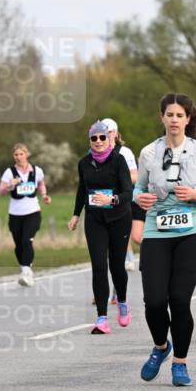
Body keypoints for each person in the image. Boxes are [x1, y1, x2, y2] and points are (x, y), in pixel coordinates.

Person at [134, 93, 196, 386]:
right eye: (169, 114)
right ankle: (161, 347)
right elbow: (138, 191)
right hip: (156, 233)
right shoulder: (148, 153)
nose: (174, 120)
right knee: (155, 302)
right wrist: (141, 198)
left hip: (192, 234)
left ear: (187, 119)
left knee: (180, 300)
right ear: (162, 118)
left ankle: (180, 364)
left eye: (179, 115)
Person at [69, 121, 134, 334]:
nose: (98, 141)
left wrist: (112, 199)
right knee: (98, 266)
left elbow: (128, 193)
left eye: (102, 137)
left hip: (119, 218)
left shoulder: (119, 160)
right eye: (94, 138)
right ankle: (102, 319)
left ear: (109, 138)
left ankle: (122, 302)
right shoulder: (84, 163)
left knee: (117, 267)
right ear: (90, 140)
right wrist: (76, 214)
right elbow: (82, 190)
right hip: (95, 219)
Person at [0, 143, 51, 286]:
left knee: (27, 240)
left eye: (21, 154)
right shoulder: (9, 172)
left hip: (33, 211)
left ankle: (27, 272)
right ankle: (25, 269)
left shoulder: (36, 170)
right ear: (13, 156)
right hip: (15, 213)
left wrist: (44, 195)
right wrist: (10, 185)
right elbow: (1, 191)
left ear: (27, 154)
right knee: (19, 244)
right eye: (16, 155)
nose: (19, 157)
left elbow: (41, 184)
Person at [102, 118, 140, 272]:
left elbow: (135, 176)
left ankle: (130, 257)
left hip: (125, 196)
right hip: (105, 198)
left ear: (116, 134)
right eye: (103, 132)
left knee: (126, 230)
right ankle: (126, 257)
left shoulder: (124, 152)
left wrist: (117, 179)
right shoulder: (95, 152)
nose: (106, 135)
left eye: (109, 132)